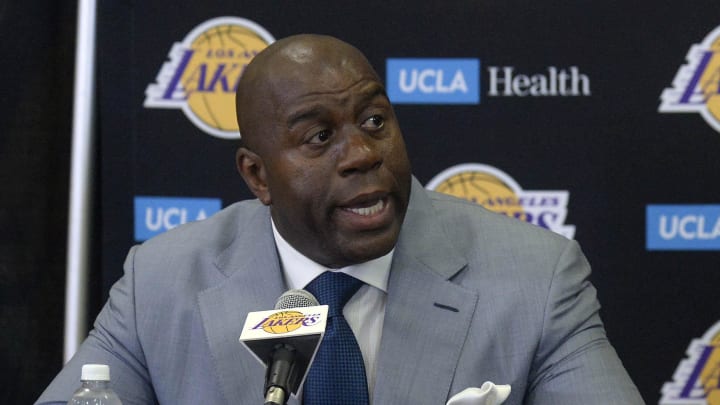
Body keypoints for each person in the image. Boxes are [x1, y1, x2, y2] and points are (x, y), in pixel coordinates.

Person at [36, 34, 645, 404]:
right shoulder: (161, 282)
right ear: (257, 177)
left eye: (374, 120)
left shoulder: (536, 280)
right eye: (319, 136)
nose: (361, 154)